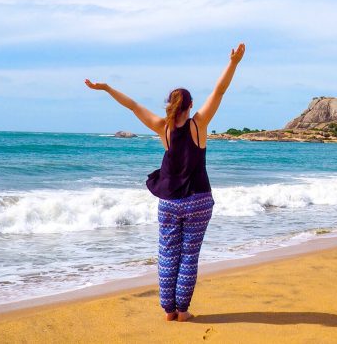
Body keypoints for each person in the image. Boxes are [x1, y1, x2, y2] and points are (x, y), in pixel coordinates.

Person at [84, 43, 245, 322]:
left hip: (169, 202)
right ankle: (183, 311)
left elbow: (133, 106)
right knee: (189, 256)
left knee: (168, 254)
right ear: (191, 105)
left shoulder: (163, 127)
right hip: (198, 200)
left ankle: (169, 311)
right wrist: (234, 63)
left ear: (170, 105)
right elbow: (219, 91)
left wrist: (107, 89)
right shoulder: (199, 124)